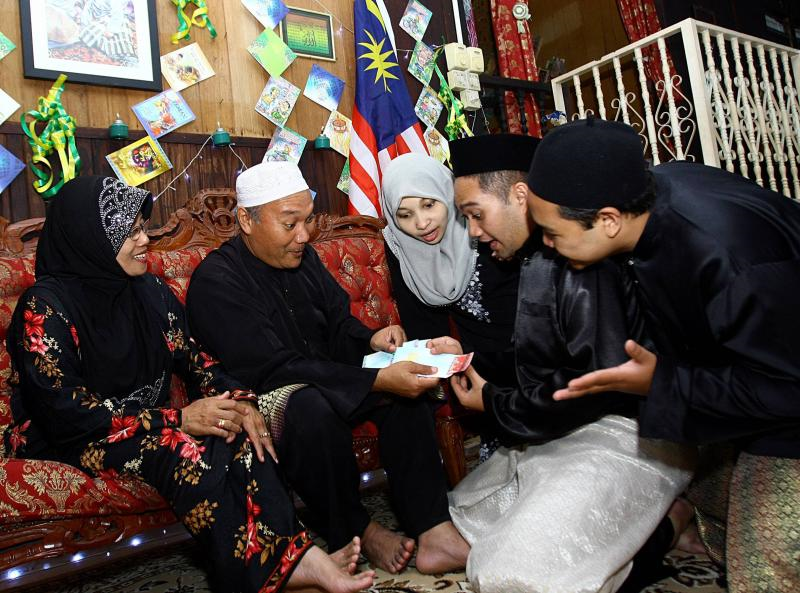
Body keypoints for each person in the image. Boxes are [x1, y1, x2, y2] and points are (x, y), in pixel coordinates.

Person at [3, 176, 375, 593]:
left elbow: (197, 361)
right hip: (75, 437)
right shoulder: (45, 307)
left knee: (237, 429)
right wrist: (177, 418)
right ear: (90, 239)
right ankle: (285, 570)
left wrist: (240, 401)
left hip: (145, 426)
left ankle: (290, 559)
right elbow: (67, 411)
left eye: (144, 228)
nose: (145, 240)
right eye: (130, 233)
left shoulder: (149, 292)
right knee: (181, 446)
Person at [526, 117, 800, 593]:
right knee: (708, 491)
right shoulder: (650, 202)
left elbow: (788, 389)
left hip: (789, 396)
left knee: (765, 564)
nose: (546, 245)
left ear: (607, 220)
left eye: (551, 232)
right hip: (753, 369)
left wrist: (662, 382)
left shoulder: (727, 255)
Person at [433, 134, 694, 593]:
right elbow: (544, 358)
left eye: (475, 214)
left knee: (515, 578)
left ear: (519, 196)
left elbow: (591, 385)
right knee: (457, 532)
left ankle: (670, 521)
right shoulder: (536, 254)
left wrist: (493, 404)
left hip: (627, 431)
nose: (472, 232)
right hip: (561, 426)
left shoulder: (584, 251)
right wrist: (469, 361)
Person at [186, 161, 469, 575]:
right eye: (290, 224)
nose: (303, 236)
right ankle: (357, 530)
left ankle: (433, 529)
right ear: (246, 220)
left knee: (404, 397)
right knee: (309, 407)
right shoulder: (217, 280)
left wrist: (372, 341)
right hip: (258, 398)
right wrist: (373, 379)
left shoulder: (304, 259)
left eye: (307, 221)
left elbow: (338, 326)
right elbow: (271, 368)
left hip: (327, 378)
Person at [379, 152, 519, 387]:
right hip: (471, 366)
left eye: (429, 205)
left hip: (530, 360)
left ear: (447, 193)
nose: (422, 223)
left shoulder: (482, 227)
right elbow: (421, 326)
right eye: (405, 215)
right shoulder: (400, 243)